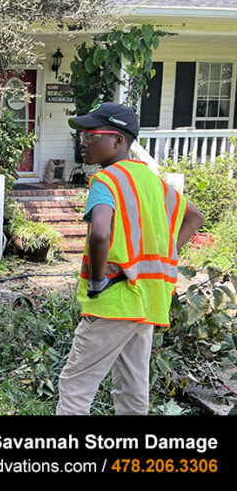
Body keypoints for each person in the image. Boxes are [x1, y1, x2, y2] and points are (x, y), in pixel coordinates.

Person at [56, 102, 205, 415]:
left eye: (92, 135)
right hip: (146, 303)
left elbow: (99, 233)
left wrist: (97, 281)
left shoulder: (106, 181)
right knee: (133, 391)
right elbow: (194, 217)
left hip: (113, 299)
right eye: (82, 134)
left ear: (118, 140)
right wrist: (169, 252)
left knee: (75, 387)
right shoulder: (154, 182)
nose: (82, 141)